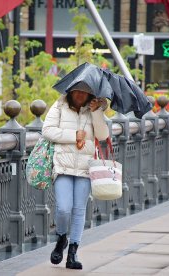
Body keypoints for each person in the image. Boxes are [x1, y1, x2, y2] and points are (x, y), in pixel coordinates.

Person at [42, 81, 109, 269]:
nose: (80, 94)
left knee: (79, 210)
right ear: (70, 91)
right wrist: (74, 135)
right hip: (63, 166)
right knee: (63, 208)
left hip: (85, 168)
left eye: (85, 92)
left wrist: (97, 112)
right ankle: (62, 237)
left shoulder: (93, 109)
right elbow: (47, 130)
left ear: (90, 95)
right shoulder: (60, 106)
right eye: (77, 91)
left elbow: (103, 136)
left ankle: (72, 252)